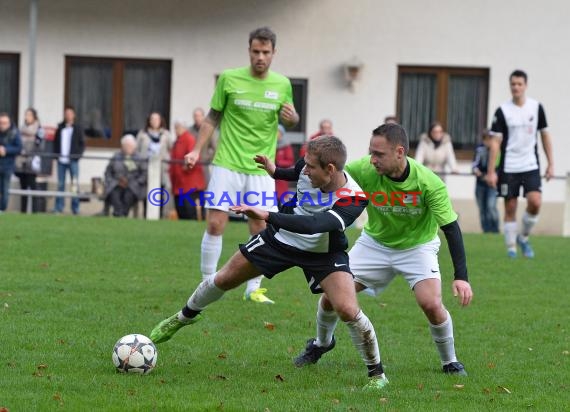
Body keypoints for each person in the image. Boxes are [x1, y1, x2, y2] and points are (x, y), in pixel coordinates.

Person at [150, 136, 388, 390]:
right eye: (305, 164)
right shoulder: (309, 167)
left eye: (310, 167)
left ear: (330, 169)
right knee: (224, 279)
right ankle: (182, 317)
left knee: (347, 309)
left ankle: (377, 376)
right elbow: (291, 172)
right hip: (280, 240)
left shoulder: (354, 198)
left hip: (323, 252)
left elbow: (314, 225)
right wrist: (274, 171)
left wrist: (267, 215)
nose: (305, 171)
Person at [294, 124, 473, 378]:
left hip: (417, 246)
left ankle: (450, 362)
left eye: (379, 154)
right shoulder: (363, 169)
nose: (372, 159)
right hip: (374, 244)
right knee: (331, 295)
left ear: (400, 152)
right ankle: (321, 344)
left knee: (431, 303)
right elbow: (330, 173)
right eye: (371, 152)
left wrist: (461, 277)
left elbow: (451, 228)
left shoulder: (429, 183)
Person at [183, 27, 299, 304]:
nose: (260, 57)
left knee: (260, 228)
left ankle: (253, 289)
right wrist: (196, 150)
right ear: (249, 50)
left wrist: (293, 118)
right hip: (227, 163)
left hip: (261, 168)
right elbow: (212, 117)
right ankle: (206, 281)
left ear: (274, 53)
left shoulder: (282, 84)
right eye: (256, 51)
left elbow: (290, 121)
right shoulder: (229, 79)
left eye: (266, 52)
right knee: (215, 224)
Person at [486, 70, 554, 259]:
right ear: (510, 86)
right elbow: (495, 143)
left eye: (519, 84)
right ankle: (511, 249)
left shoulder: (536, 107)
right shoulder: (502, 111)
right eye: (513, 84)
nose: (516, 87)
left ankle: (523, 237)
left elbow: (545, 136)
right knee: (510, 207)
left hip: (531, 165)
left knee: (535, 202)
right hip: (509, 167)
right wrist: (491, 171)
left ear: (525, 85)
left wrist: (551, 164)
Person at [136, 111, 173, 217]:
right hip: (146, 168)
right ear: (149, 120)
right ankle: (145, 214)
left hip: (161, 169)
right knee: (146, 192)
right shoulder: (142, 134)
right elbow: (137, 149)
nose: (154, 121)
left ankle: (159, 215)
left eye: (157, 119)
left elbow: (171, 148)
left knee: (160, 192)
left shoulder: (166, 134)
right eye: (152, 119)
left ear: (160, 121)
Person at [103, 134, 147, 217]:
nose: (128, 148)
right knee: (114, 194)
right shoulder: (116, 156)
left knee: (128, 195)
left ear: (134, 147)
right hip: (117, 183)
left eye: (130, 146)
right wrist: (113, 181)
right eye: (126, 146)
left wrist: (135, 182)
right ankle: (119, 213)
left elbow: (144, 174)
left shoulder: (139, 158)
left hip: (133, 185)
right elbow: (108, 172)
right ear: (122, 146)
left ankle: (122, 214)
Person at [53, 106, 85, 215]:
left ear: (74, 115)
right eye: (66, 113)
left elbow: (82, 144)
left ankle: (75, 208)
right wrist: (56, 156)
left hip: (73, 160)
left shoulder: (78, 128)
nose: (68, 115)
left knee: (74, 184)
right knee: (60, 184)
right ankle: (58, 207)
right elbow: (55, 143)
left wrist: (77, 156)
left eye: (70, 113)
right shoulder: (60, 128)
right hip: (61, 160)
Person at [170, 121, 206, 220]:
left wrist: (185, 168)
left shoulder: (189, 139)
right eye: (175, 127)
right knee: (181, 211)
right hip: (179, 183)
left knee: (189, 211)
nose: (176, 130)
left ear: (183, 128)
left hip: (189, 183)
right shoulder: (177, 141)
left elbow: (193, 157)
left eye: (177, 127)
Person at [15, 108, 44, 213]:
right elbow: (17, 143)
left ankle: (35, 211)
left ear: (34, 117)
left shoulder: (39, 129)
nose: (27, 117)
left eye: (29, 115)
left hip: (32, 162)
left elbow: (40, 145)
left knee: (33, 187)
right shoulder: (21, 129)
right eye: (26, 114)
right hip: (21, 161)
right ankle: (23, 211)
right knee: (23, 187)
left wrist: (29, 152)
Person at [472, 129, 499, 233]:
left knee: (491, 206)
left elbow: (500, 167)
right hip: (481, 183)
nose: (489, 142)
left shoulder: (498, 150)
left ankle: (495, 229)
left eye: (491, 139)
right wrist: (483, 176)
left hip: (493, 184)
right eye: (487, 139)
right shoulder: (479, 149)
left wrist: (495, 176)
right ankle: (486, 231)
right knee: (482, 209)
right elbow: (474, 166)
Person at [0, 113, 22, 213]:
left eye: (4, 123)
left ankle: (2, 209)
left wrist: (6, 150)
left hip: (7, 166)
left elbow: (19, 148)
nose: (2, 125)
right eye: (1, 123)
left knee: (5, 190)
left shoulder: (14, 133)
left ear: (9, 123)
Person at [189, 107, 217, 184]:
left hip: (203, 166)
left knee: (204, 188)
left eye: (199, 116)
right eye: (195, 116)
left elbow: (215, 148)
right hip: (192, 166)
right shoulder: (189, 131)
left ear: (203, 117)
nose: (197, 118)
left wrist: (207, 158)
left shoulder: (210, 131)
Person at [274, 124, 295, 200]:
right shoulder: (270, 145)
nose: (276, 134)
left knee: (280, 197)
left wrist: (278, 162)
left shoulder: (286, 146)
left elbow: (290, 161)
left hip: (281, 176)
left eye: (278, 132)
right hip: (270, 175)